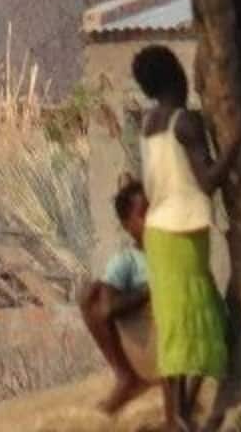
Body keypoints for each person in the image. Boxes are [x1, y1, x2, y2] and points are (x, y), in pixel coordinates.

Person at [132, 45, 241, 431]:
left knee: (180, 321)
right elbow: (208, 181)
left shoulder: (149, 124)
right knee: (197, 319)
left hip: (160, 231)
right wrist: (236, 143)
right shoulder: (184, 122)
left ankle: (177, 414)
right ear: (175, 76)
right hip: (181, 232)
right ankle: (178, 416)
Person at [80, 177, 155, 414]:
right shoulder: (126, 262)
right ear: (127, 225)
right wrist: (151, 290)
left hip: (180, 343)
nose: (153, 222)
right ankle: (125, 377)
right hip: (147, 346)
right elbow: (107, 309)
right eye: (144, 215)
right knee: (90, 294)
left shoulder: (175, 248)